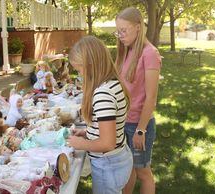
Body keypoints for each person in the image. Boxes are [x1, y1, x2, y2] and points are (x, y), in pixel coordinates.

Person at [66, 35, 133, 194]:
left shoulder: (103, 93)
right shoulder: (113, 82)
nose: (79, 74)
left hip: (108, 164)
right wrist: (88, 132)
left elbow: (107, 143)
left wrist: (82, 144)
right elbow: (108, 126)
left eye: (79, 69)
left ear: (91, 64)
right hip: (118, 158)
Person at [114, 7, 162, 194]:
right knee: (128, 170)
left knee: (143, 172)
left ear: (138, 27)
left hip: (138, 125)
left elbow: (151, 97)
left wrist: (141, 130)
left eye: (124, 30)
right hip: (123, 122)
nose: (120, 35)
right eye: (118, 31)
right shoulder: (128, 51)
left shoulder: (150, 53)